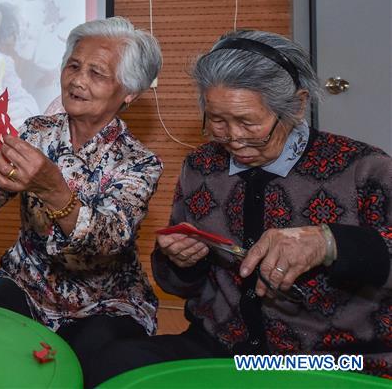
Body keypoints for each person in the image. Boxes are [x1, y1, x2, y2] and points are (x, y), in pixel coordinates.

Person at [93, 30, 392, 383]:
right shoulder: (202, 167)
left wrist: (329, 244)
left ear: (295, 106)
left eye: (248, 122)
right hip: (222, 349)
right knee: (113, 365)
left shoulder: (363, 168)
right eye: (217, 121)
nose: (232, 137)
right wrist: (182, 262)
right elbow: (177, 286)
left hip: (332, 360)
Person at [0, 17, 164, 386]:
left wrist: (53, 189)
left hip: (102, 305)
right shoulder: (36, 132)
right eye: (74, 66)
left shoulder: (139, 163)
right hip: (25, 287)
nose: (78, 80)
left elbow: (107, 241)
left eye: (97, 73)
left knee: (92, 370)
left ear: (129, 93)